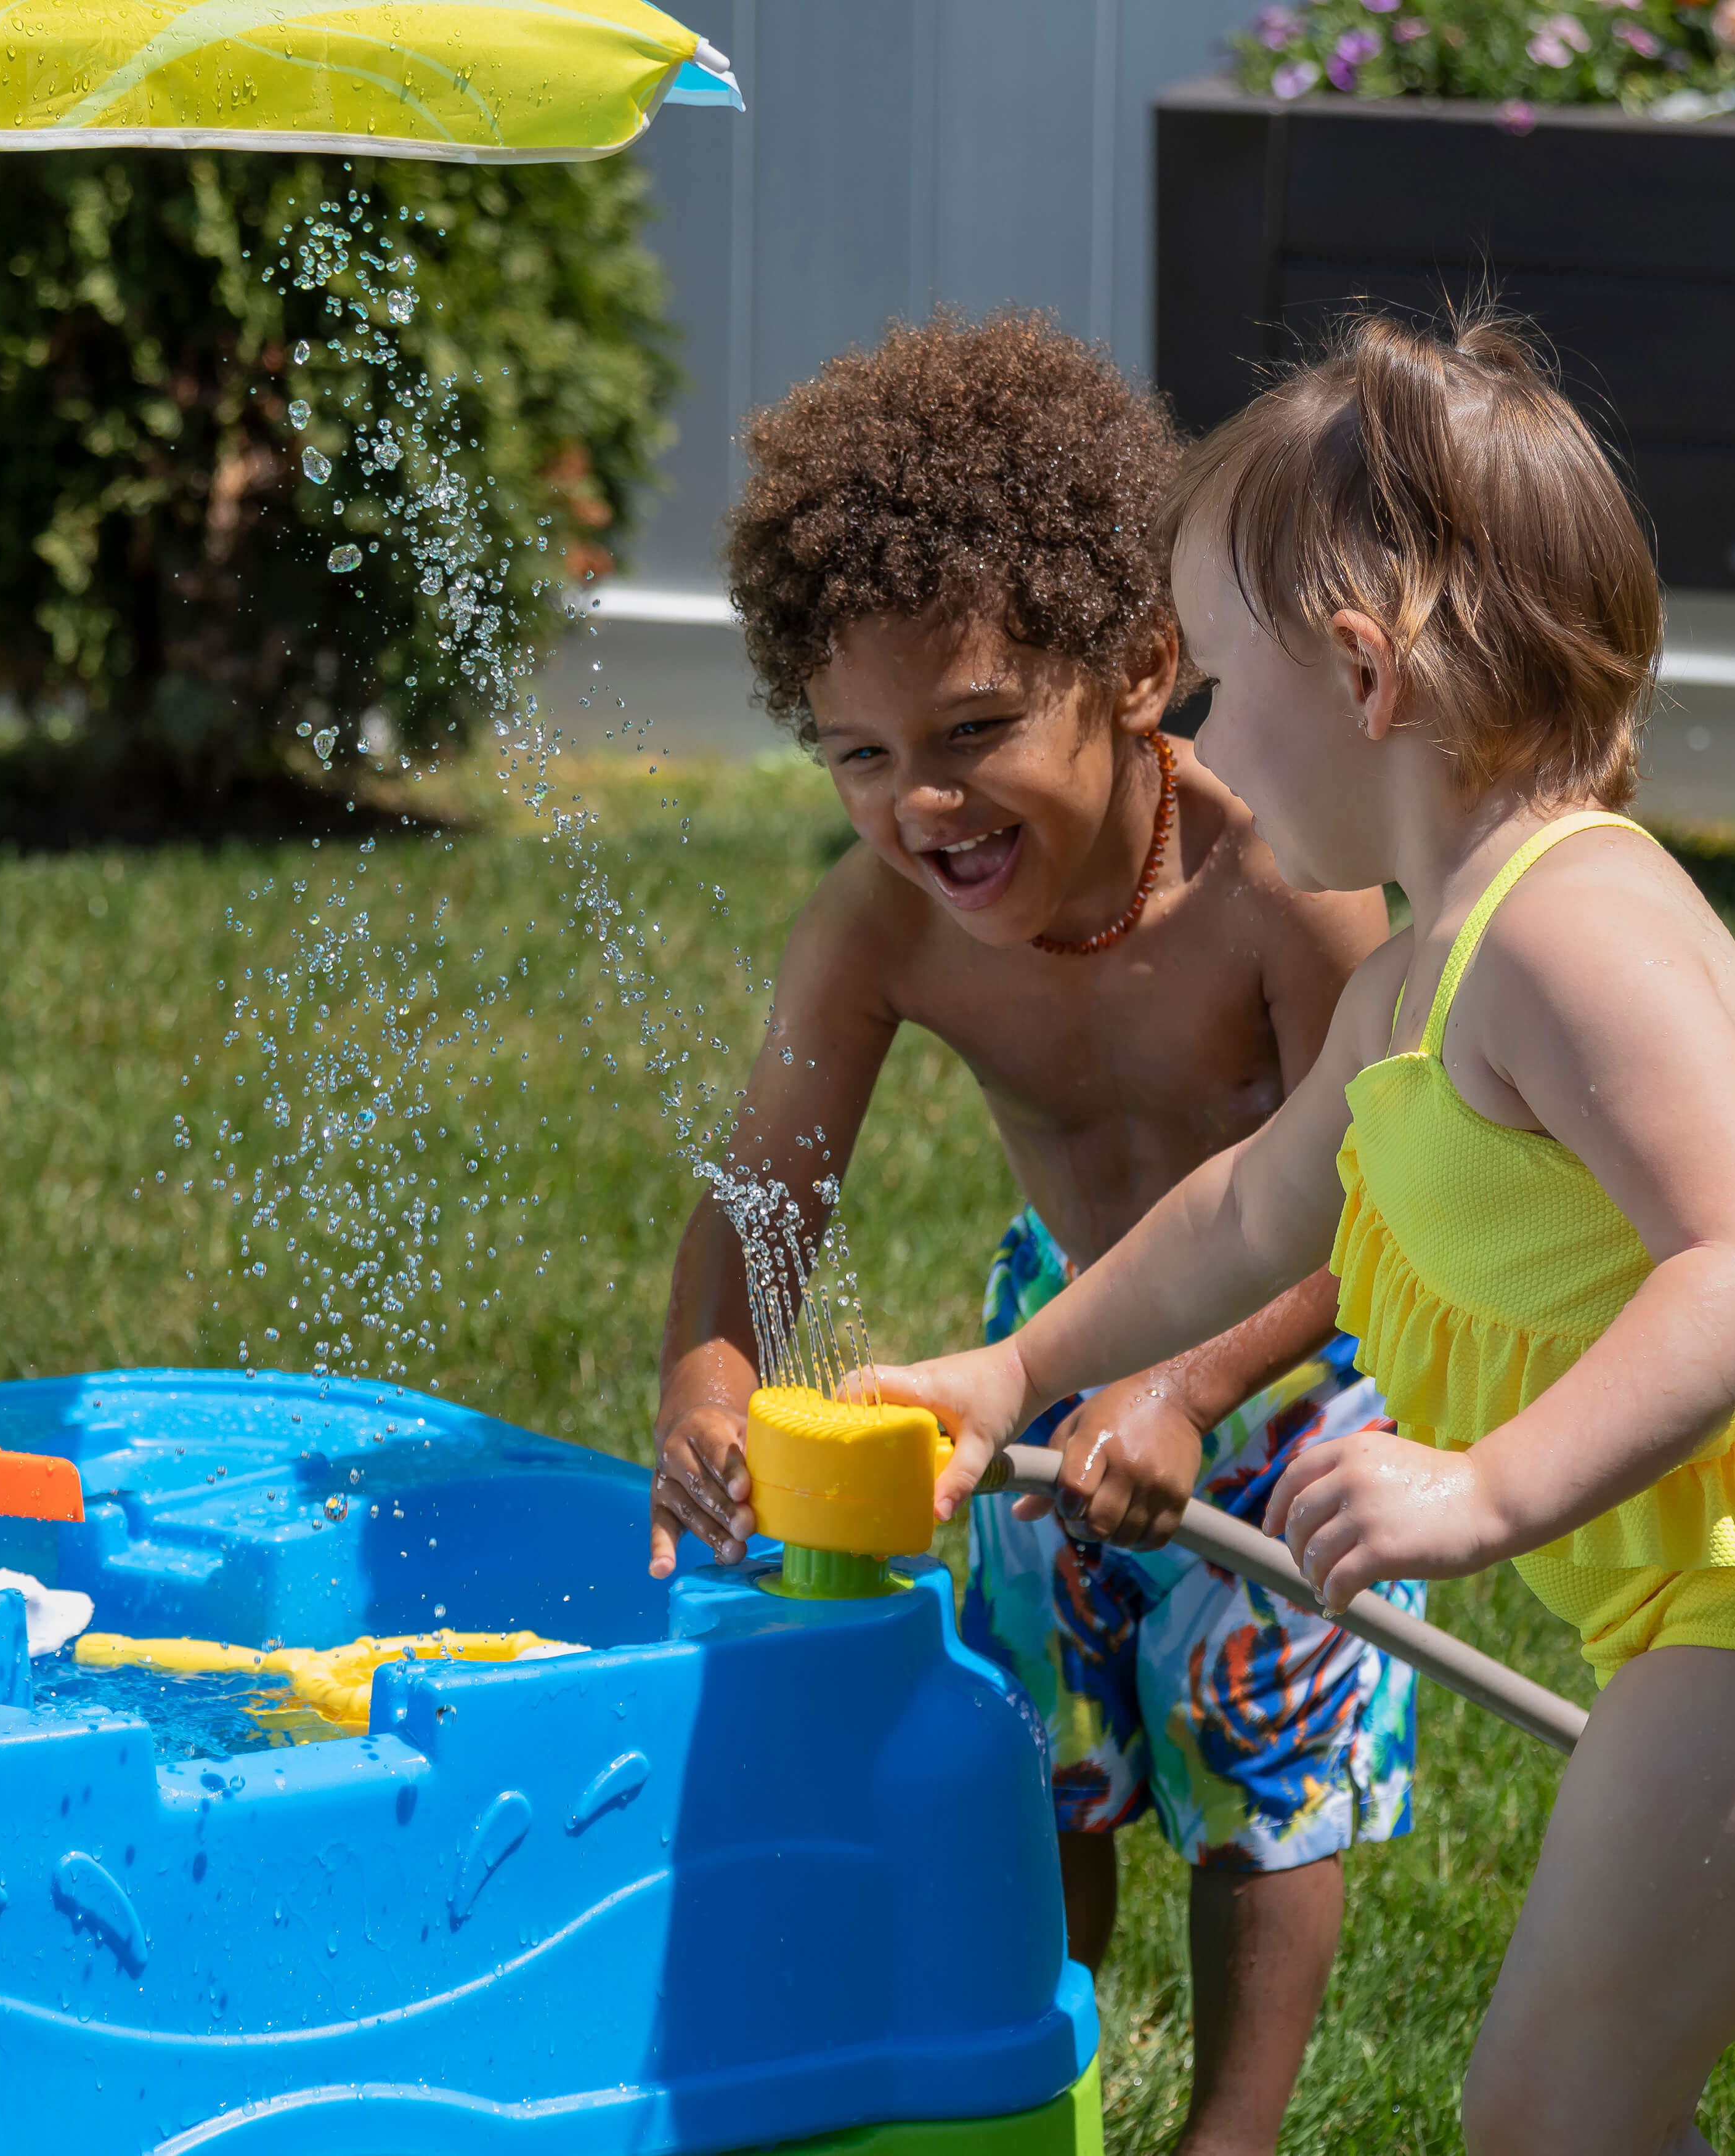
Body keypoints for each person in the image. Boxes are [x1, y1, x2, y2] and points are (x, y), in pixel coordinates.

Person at [869, 309, 1735, 2156]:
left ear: (1359, 675)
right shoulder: (1421, 966)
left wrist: (1481, 1489)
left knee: (1543, 2119)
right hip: (1734, 1606)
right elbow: (1252, 1207)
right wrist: (1011, 1365)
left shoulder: (1574, 921)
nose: (1198, 740)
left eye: (1215, 691)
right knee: (1586, 2114)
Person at [647, 312, 1424, 2156]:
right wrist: (706, 1362)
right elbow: (765, 1199)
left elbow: (1369, 1203)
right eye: (856, 753)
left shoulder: (1278, 889)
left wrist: (1191, 1385)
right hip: (1059, 1340)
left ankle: (1223, 2138)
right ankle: (1022, 2067)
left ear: (1140, 666)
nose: (918, 801)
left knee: (1257, 1744)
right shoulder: (878, 925)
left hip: (1294, 1359)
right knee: (1034, 1730)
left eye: (975, 728)